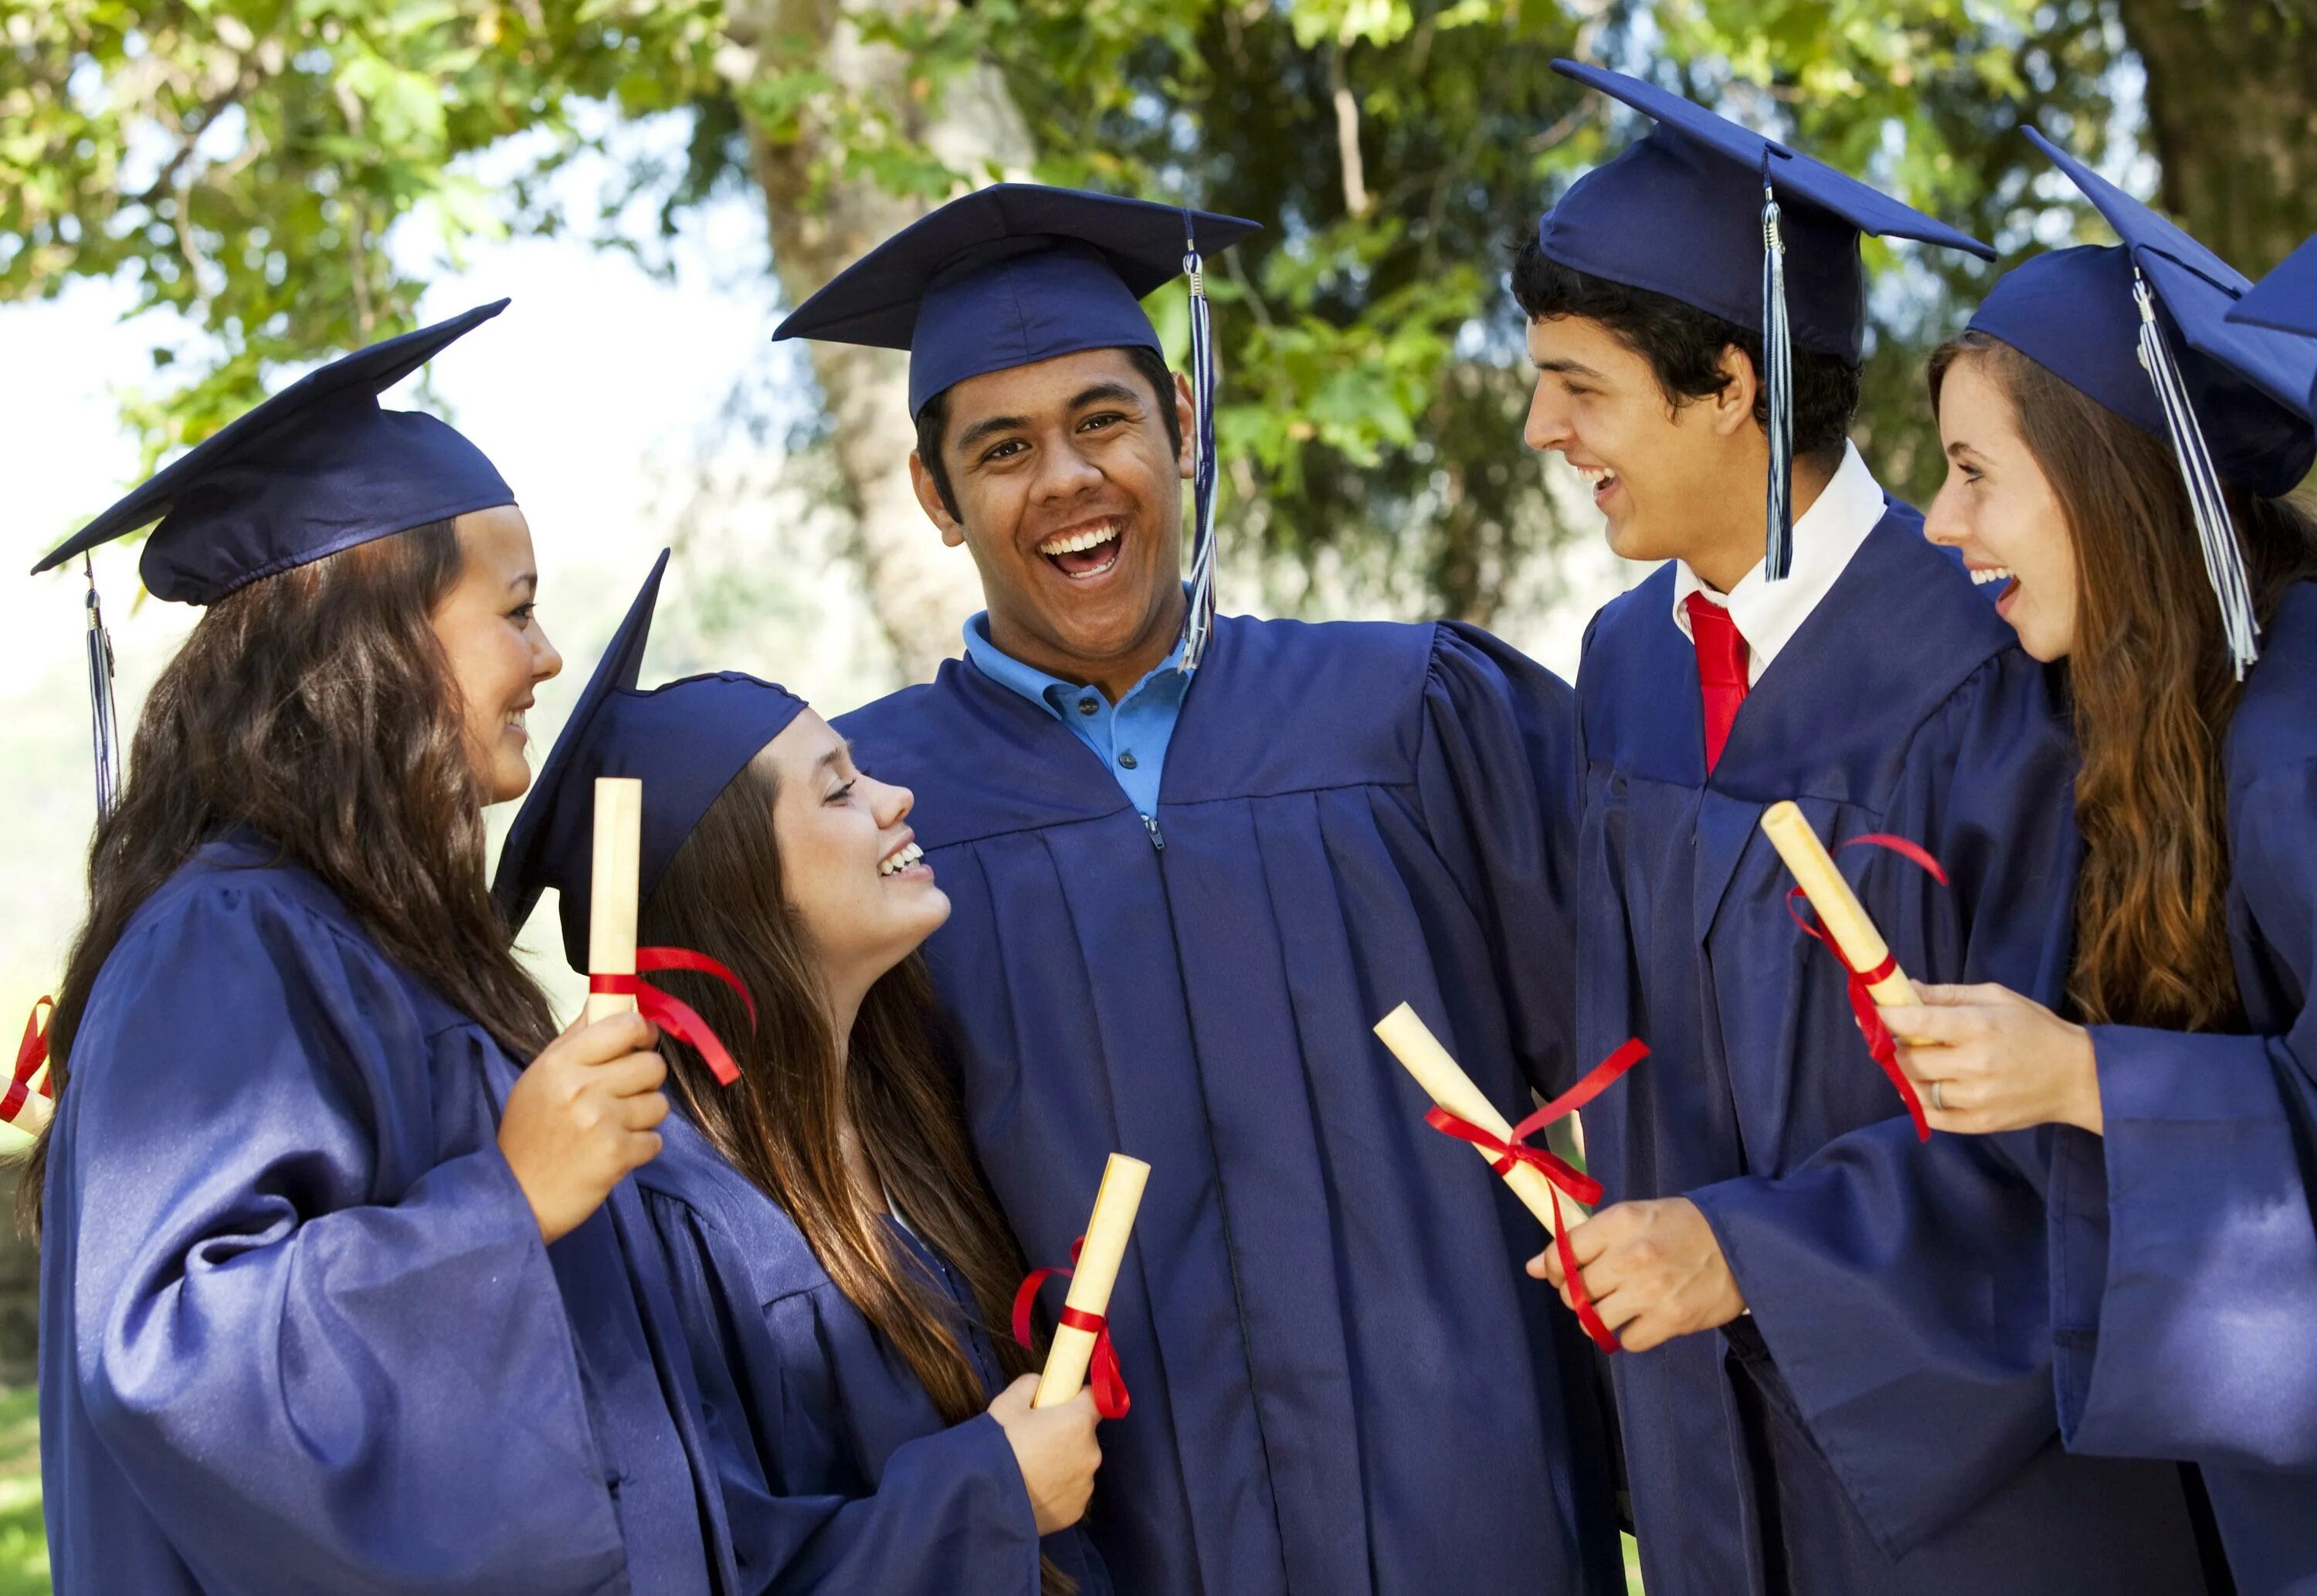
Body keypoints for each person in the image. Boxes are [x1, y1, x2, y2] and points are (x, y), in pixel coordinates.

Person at [779, 185, 1627, 1594]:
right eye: (1002, 449)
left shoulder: (1409, 712)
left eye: (1102, 420)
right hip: (1119, 1538)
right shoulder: (870, 811)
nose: (1065, 477)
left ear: (1182, 421)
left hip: (1469, 1507)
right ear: (934, 495)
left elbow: (1639, 1041)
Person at [1515, 63, 2216, 1594]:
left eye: (1580, 384)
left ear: (1729, 381)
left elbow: (2076, 1130)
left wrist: (1750, 1252)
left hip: (1982, 1500)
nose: (1539, 427)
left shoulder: (1990, 658)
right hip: (1720, 1470)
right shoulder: (1626, 660)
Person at [24, 304, 732, 1594]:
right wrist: (507, 1201)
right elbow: (173, 1364)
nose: (547, 655)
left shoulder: (366, 933)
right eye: (514, 610)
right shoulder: (227, 939)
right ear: (381, 642)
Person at [492, 550, 1112, 1595]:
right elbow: (705, 1568)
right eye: (839, 793)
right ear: (739, 888)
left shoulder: (904, 1123)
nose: (894, 797)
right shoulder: (659, 1220)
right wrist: (991, 1496)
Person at [1884, 133, 2317, 1596]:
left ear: (2109, 481)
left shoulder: (2297, 741)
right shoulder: (2174, 717)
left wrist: (2081, 1078)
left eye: (1970, 473)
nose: (1940, 525)